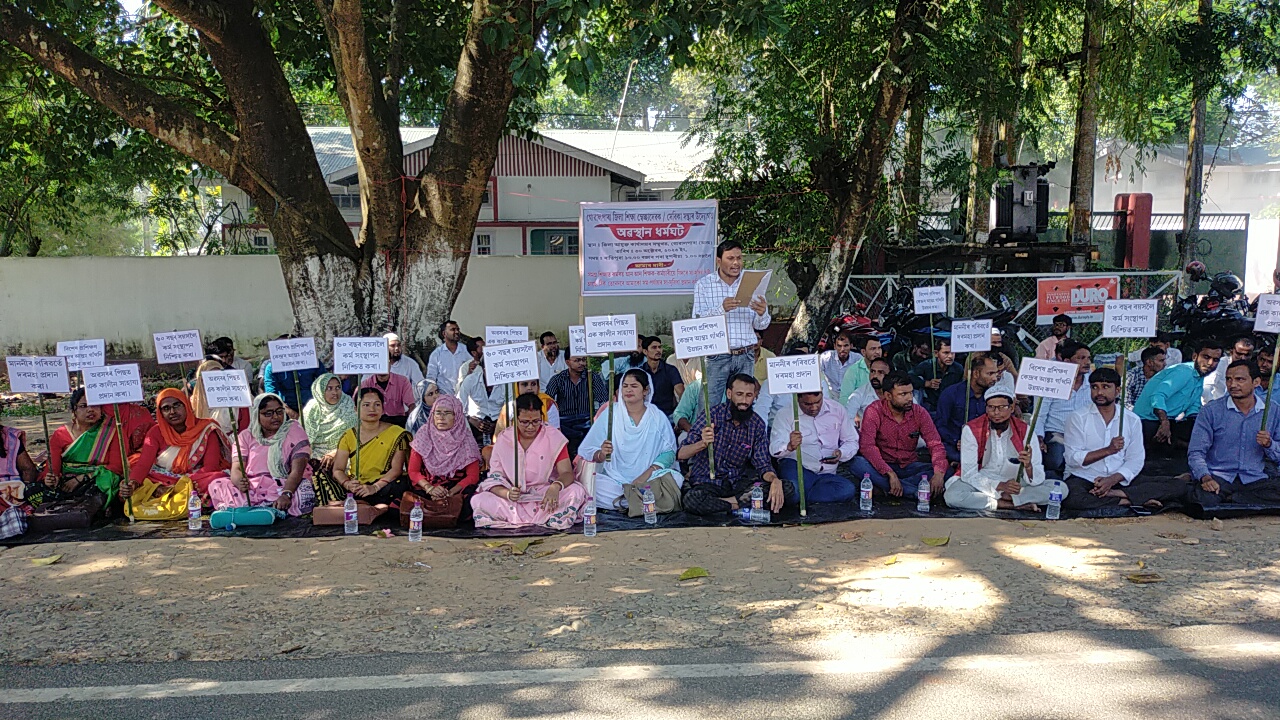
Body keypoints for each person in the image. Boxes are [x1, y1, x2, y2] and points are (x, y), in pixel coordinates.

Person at [1062, 368, 1182, 510]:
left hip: (1119, 479)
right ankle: (1128, 500)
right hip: (1086, 478)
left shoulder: (1131, 419)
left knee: (1178, 486)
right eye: (1095, 387)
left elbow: (1135, 459)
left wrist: (1112, 480)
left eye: (1106, 387)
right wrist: (1108, 450)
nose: (1099, 392)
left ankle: (1117, 494)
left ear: (1118, 390)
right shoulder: (1078, 418)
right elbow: (1072, 458)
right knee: (1070, 497)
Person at [678, 374, 796, 515]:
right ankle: (737, 505)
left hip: (738, 484)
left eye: (749, 396)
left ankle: (724, 504)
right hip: (708, 482)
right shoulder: (712, 416)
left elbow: (763, 464)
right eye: (739, 394)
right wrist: (702, 444)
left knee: (786, 487)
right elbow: (681, 454)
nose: (744, 401)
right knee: (692, 500)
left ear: (755, 396)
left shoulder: (756, 424)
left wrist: (775, 480)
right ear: (729, 394)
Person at [472, 393, 587, 530]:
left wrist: (555, 487)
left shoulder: (554, 437)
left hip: (545, 496)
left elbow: (567, 473)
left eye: (536, 421)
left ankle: (518, 520)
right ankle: (545, 518)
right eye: (525, 422)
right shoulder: (504, 439)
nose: (531, 427)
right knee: (478, 500)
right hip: (513, 499)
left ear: (542, 418)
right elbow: (495, 478)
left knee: (576, 491)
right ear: (515, 419)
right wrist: (506, 493)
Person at [579, 369, 684, 510]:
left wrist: (645, 476)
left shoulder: (657, 416)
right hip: (615, 480)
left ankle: (627, 502)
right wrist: (602, 453)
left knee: (675, 478)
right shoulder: (610, 414)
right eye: (625, 386)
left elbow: (669, 452)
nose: (628, 390)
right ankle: (641, 501)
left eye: (634, 386)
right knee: (594, 485)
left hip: (649, 479)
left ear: (645, 390)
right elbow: (588, 449)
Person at [945, 386, 1056, 511]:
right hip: (983, 481)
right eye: (991, 407)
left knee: (1060, 489)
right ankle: (1011, 504)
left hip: (1017, 484)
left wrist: (1028, 467)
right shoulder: (971, 429)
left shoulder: (1025, 430)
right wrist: (1000, 486)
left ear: (1012, 408)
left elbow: (1037, 478)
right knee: (952, 496)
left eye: (1002, 407)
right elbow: (969, 473)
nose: (996, 413)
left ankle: (1008, 498)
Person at [1186, 360, 1280, 506]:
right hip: (1219, 476)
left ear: (1256, 382)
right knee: (1203, 500)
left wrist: (1269, 445)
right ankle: (1237, 498)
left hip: (1255, 479)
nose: (1232, 385)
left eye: (1240, 379)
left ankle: (1234, 498)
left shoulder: (1272, 410)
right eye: (1229, 379)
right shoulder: (1211, 411)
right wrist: (1205, 477)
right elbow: (1196, 452)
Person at [692, 239, 771, 409]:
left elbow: (762, 325)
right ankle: (706, 436)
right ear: (718, 261)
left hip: (745, 354)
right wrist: (721, 309)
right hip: (717, 355)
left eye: (739, 258)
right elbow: (696, 322)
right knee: (708, 405)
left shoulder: (753, 281)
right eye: (730, 258)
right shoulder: (704, 285)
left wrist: (762, 312)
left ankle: (737, 436)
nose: (736, 263)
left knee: (742, 406)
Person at [208, 393, 317, 516]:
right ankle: (259, 511)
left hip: (284, 485)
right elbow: (237, 468)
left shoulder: (294, 430)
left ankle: (246, 512)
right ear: (256, 415)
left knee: (302, 491)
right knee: (217, 484)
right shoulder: (246, 436)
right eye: (268, 413)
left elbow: (297, 471)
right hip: (252, 487)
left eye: (279, 411)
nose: (276, 417)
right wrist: (239, 482)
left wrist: (286, 494)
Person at [848, 371, 947, 500]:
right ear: (888, 396)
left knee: (946, 470)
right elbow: (867, 446)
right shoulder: (874, 411)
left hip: (909, 466)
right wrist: (890, 474)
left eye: (911, 393)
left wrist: (939, 474)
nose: (909, 398)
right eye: (903, 394)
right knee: (857, 464)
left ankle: (889, 488)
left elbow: (935, 444)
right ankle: (914, 492)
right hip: (881, 466)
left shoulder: (919, 412)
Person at [313, 387, 411, 507]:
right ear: (356, 409)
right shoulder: (349, 436)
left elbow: (396, 469)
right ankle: (367, 506)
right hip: (357, 487)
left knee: (400, 485)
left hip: (384, 485)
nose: (372, 409)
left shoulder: (396, 433)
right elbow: (338, 469)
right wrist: (348, 484)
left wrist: (374, 487)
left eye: (377, 404)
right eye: (366, 405)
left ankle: (370, 506)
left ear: (383, 409)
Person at [127, 388, 231, 502]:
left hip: (194, 478)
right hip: (164, 477)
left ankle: (170, 493)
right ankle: (175, 493)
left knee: (218, 478)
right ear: (160, 413)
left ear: (186, 405)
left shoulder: (206, 428)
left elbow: (211, 467)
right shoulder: (155, 432)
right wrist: (132, 483)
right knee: (135, 476)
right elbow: (144, 464)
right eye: (166, 408)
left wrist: (183, 483)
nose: (172, 412)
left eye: (177, 405)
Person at [36, 389, 125, 517]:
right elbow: (53, 469)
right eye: (83, 406)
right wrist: (51, 479)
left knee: (108, 480)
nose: (90, 410)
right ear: (74, 411)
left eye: (95, 405)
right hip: (67, 481)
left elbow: (116, 466)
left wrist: (82, 477)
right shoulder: (60, 434)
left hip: (97, 479)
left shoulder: (111, 432)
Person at [1135, 339, 1223, 457]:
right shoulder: (1184, 372)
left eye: (1215, 360)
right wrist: (1164, 422)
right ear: (1194, 356)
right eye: (1206, 357)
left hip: (1169, 420)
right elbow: (1158, 396)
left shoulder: (1199, 377)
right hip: (1148, 421)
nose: (1210, 363)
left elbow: (1194, 407)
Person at [770, 390, 860, 503]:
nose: (814, 407)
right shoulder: (785, 414)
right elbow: (774, 449)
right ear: (797, 398)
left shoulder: (837, 410)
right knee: (793, 490)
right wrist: (789, 446)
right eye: (807, 404)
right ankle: (798, 496)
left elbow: (851, 441)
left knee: (847, 489)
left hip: (827, 474)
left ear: (822, 395)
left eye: (818, 402)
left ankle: (801, 498)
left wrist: (841, 453)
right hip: (798, 468)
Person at [407, 395, 482, 517]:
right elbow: (413, 471)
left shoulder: (466, 438)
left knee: (471, 502)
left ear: (456, 416)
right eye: (438, 413)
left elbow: (473, 476)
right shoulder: (424, 435)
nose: (441, 417)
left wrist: (450, 493)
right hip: (426, 486)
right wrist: (430, 489)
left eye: (447, 413)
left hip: (455, 487)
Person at [1032, 341, 1094, 476]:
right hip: (1057, 432)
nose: (1087, 362)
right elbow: (1039, 413)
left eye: (1088, 358)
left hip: (1085, 433)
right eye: (1081, 358)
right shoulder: (1051, 382)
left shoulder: (1093, 383)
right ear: (1066, 361)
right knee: (1055, 461)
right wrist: (1038, 437)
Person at [935, 353, 1000, 463]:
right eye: (990, 374)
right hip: (955, 447)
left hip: (986, 447)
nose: (994, 378)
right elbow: (940, 425)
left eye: (996, 374)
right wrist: (957, 441)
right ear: (975, 373)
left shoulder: (995, 397)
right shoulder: (951, 394)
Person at [546, 354, 609, 456]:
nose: (582, 363)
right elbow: (548, 401)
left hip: (587, 419)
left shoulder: (592, 377)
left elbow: (603, 400)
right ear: (567, 362)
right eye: (577, 360)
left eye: (583, 360)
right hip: (565, 421)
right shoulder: (557, 379)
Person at [303, 373, 359, 474]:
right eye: (329, 388)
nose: (335, 392)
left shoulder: (348, 404)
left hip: (346, 453)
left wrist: (337, 452)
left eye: (338, 387)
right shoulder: (311, 409)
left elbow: (356, 435)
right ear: (320, 390)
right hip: (316, 456)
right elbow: (305, 441)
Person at [263, 340, 329, 419]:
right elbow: (271, 395)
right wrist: (287, 410)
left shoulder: (312, 362)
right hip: (284, 410)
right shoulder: (271, 367)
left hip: (314, 407)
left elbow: (325, 382)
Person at [458, 337, 503, 445]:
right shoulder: (470, 380)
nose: (495, 373)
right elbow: (458, 405)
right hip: (475, 423)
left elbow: (512, 409)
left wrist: (498, 425)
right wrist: (471, 420)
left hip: (500, 424)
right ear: (483, 369)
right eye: (491, 369)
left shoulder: (506, 384)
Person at [190, 357, 250, 437]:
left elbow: (245, 423)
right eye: (211, 377)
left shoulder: (236, 398)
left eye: (218, 376)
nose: (215, 381)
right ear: (201, 380)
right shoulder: (193, 402)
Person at [0, 422, 37, 539]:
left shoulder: (10, 437)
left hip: (9, 494)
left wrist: (24, 491)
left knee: (14, 515)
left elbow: (28, 470)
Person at [635, 336, 685, 416]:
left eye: (660, 347)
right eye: (654, 347)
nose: (658, 350)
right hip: (646, 415)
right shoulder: (640, 372)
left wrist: (681, 415)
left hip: (668, 415)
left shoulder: (670, 370)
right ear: (645, 351)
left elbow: (681, 392)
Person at [909, 339, 963, 412]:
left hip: (950, 406)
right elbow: (909, 376)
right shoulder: (927, 365)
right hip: (930, 406)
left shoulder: (958, 368)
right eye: (946, 353)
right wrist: (926, 383)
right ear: (936, 353)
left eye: (953, 353)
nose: (950, 356)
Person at [1203, 336, 1254, 404]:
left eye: (1247, 355)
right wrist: (1211, 405)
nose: (1243, 358)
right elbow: (1207, 387)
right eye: (1239, 354)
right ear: (1231, 352)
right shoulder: (1220, 363)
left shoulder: (1251, 368)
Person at [424, 320, 470, 396]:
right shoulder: (437, 354)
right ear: (444, 333)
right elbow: (431, 377)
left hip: (465, 395)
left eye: (457, 329)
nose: (456, 332)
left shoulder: (466, 350)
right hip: (444, 397)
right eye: (452, 329)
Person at [496, 378, 561, 431]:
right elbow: (500, 436)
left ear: (538, 386)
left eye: (533, 384)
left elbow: (555, 434)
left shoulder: (548, 404)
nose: (529, 388)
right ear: (517, 386)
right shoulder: (510, 407)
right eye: (524, 384)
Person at [846, 357, 890, 427]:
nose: (875, 376)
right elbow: (848, 420)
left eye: (880, 372)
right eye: (872, 371)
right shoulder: (859, 394)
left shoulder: (898, 392)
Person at [840, 336, 883, 402]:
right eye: (873, 349)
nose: (877, 352)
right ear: (863, 352)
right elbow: (845, 399)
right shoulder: (853, 371)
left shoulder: (887, 368)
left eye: (879, 348)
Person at [1124, 346, 1166, 410]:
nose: (1165, 364)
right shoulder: (1131, 376)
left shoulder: (1164, 378)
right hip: (1133, 415)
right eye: (1161, 361)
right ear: (1149, 362)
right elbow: (1125, 403)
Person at [819, 333, 859, 399]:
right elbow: (817, 374)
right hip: (830, 394)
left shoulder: (857, 359)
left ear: (851, 346)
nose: (842, 349)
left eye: (846, 346)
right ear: (834, 346)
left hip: (851, 395)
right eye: (839, 346)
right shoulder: (826, 357)